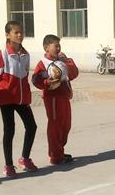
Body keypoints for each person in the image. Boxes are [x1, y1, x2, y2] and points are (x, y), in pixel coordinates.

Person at [0, 21, 38, 177]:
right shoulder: (1, 55)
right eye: (16, 32)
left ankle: (24, 158)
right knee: (9, 130)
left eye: (21, 32)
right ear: (7, 35)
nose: (20, 35)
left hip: (21, 98)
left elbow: (25, 75)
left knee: (32, 126)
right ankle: (8, 165)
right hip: (6, 98)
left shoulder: (25, 54)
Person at [31, 34, 79, 166]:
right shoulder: (43, 64)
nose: (58, 48)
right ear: (46, 48)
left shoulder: (62, 60)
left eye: (59, 45)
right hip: (52, 98)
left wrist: (67, 61)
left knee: (66, 125)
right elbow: (36, 80)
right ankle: (55, 156)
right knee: (55, 125)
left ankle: (59, 150)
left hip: (64, 96)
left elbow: (74, 74)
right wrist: (47, 82)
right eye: (55, 46)